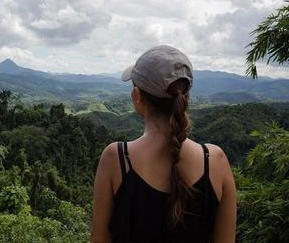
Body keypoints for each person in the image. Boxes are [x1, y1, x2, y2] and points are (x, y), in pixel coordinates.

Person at [90, 45, 236, 243]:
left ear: (137, 96)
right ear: (185, 97)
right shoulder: (216, 161)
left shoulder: (116, 159)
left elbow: (99, 239)